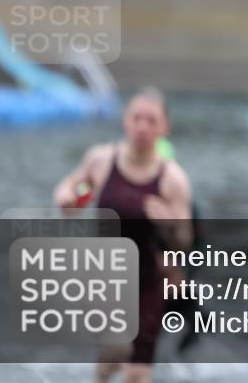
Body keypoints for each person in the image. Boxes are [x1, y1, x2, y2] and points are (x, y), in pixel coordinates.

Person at [53, 87, 193, 383]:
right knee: (115, 348)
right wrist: (67, 196)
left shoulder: (172, 180)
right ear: (125, 121)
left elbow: (184, 241)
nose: (143, 126)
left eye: (152, 120)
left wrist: (170, 224)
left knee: (138, 374)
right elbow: (76, 188)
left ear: (164, 128)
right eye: (136, 118)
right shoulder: (101, 161)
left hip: (148, 281)